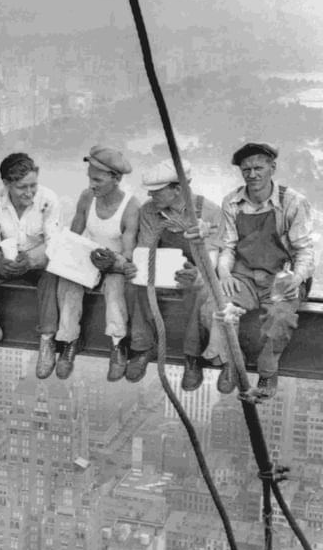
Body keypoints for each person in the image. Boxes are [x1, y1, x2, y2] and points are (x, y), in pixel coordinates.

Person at [193, 143, 314, 399]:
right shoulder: (232, 202)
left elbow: (304, 250)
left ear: (273, 168)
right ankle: (229, 363)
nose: (252, 175)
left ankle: (268, 371)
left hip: (281, 277)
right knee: (214, 306)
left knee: (280, 318)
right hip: (245, 275)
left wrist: (298, 277)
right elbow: (228, 246)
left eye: (258, 168)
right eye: (246, 170)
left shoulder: (292, 202)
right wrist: (224, 274)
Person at [123, 159, 222, 388]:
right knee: (136, 283)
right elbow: (146, 247)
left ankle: (192, 356)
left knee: (199, 290)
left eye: (157, 191)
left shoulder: (209, 211)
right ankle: (142, 346)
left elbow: (212, 256)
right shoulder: (149, 210)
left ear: (178, 189)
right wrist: (138, 267)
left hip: (196, 270)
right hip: (161, 266)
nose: (151, 194)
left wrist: (198, 273)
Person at [0, 152, 61, 375]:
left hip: (37, 258)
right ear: (7, 184)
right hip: (7, 256)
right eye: (22, 187)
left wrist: (29, 260)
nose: (29, 193)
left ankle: (47, 339)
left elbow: (52, 241)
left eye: (33, 186)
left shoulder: (48, 199)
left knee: (52, 273)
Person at [54, 145, 139, 381]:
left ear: (117, 179)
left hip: (114, 264)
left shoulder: (130, 207)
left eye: (98, 180)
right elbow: (75, 235)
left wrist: (114, 261)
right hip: (88, 257)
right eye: (90, 178)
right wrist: (69, 258)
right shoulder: (86, 197)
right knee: (68, 282)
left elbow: (129, 252)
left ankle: (117, 343)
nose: (92, 184)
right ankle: (69, 340)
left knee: (114, 288)